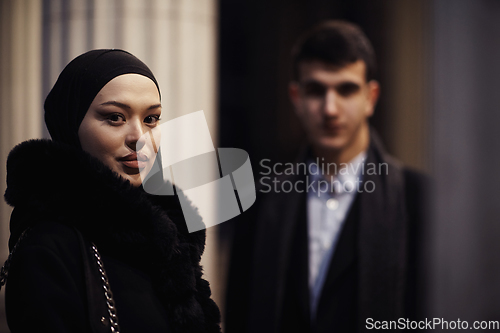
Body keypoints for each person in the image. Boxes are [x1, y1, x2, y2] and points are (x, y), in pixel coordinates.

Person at [225, 20, 426, 332]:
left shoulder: (420, 201)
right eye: (316, 90)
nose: (330, 109)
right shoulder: (258, 201)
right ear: (296, 97)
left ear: (370, 98)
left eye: (346, 89)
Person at [3, 49, 221, 332]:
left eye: (151, 119)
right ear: (70, 124)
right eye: (116, 117)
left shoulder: (170, 238)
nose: (139, 138)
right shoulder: (48, 248)